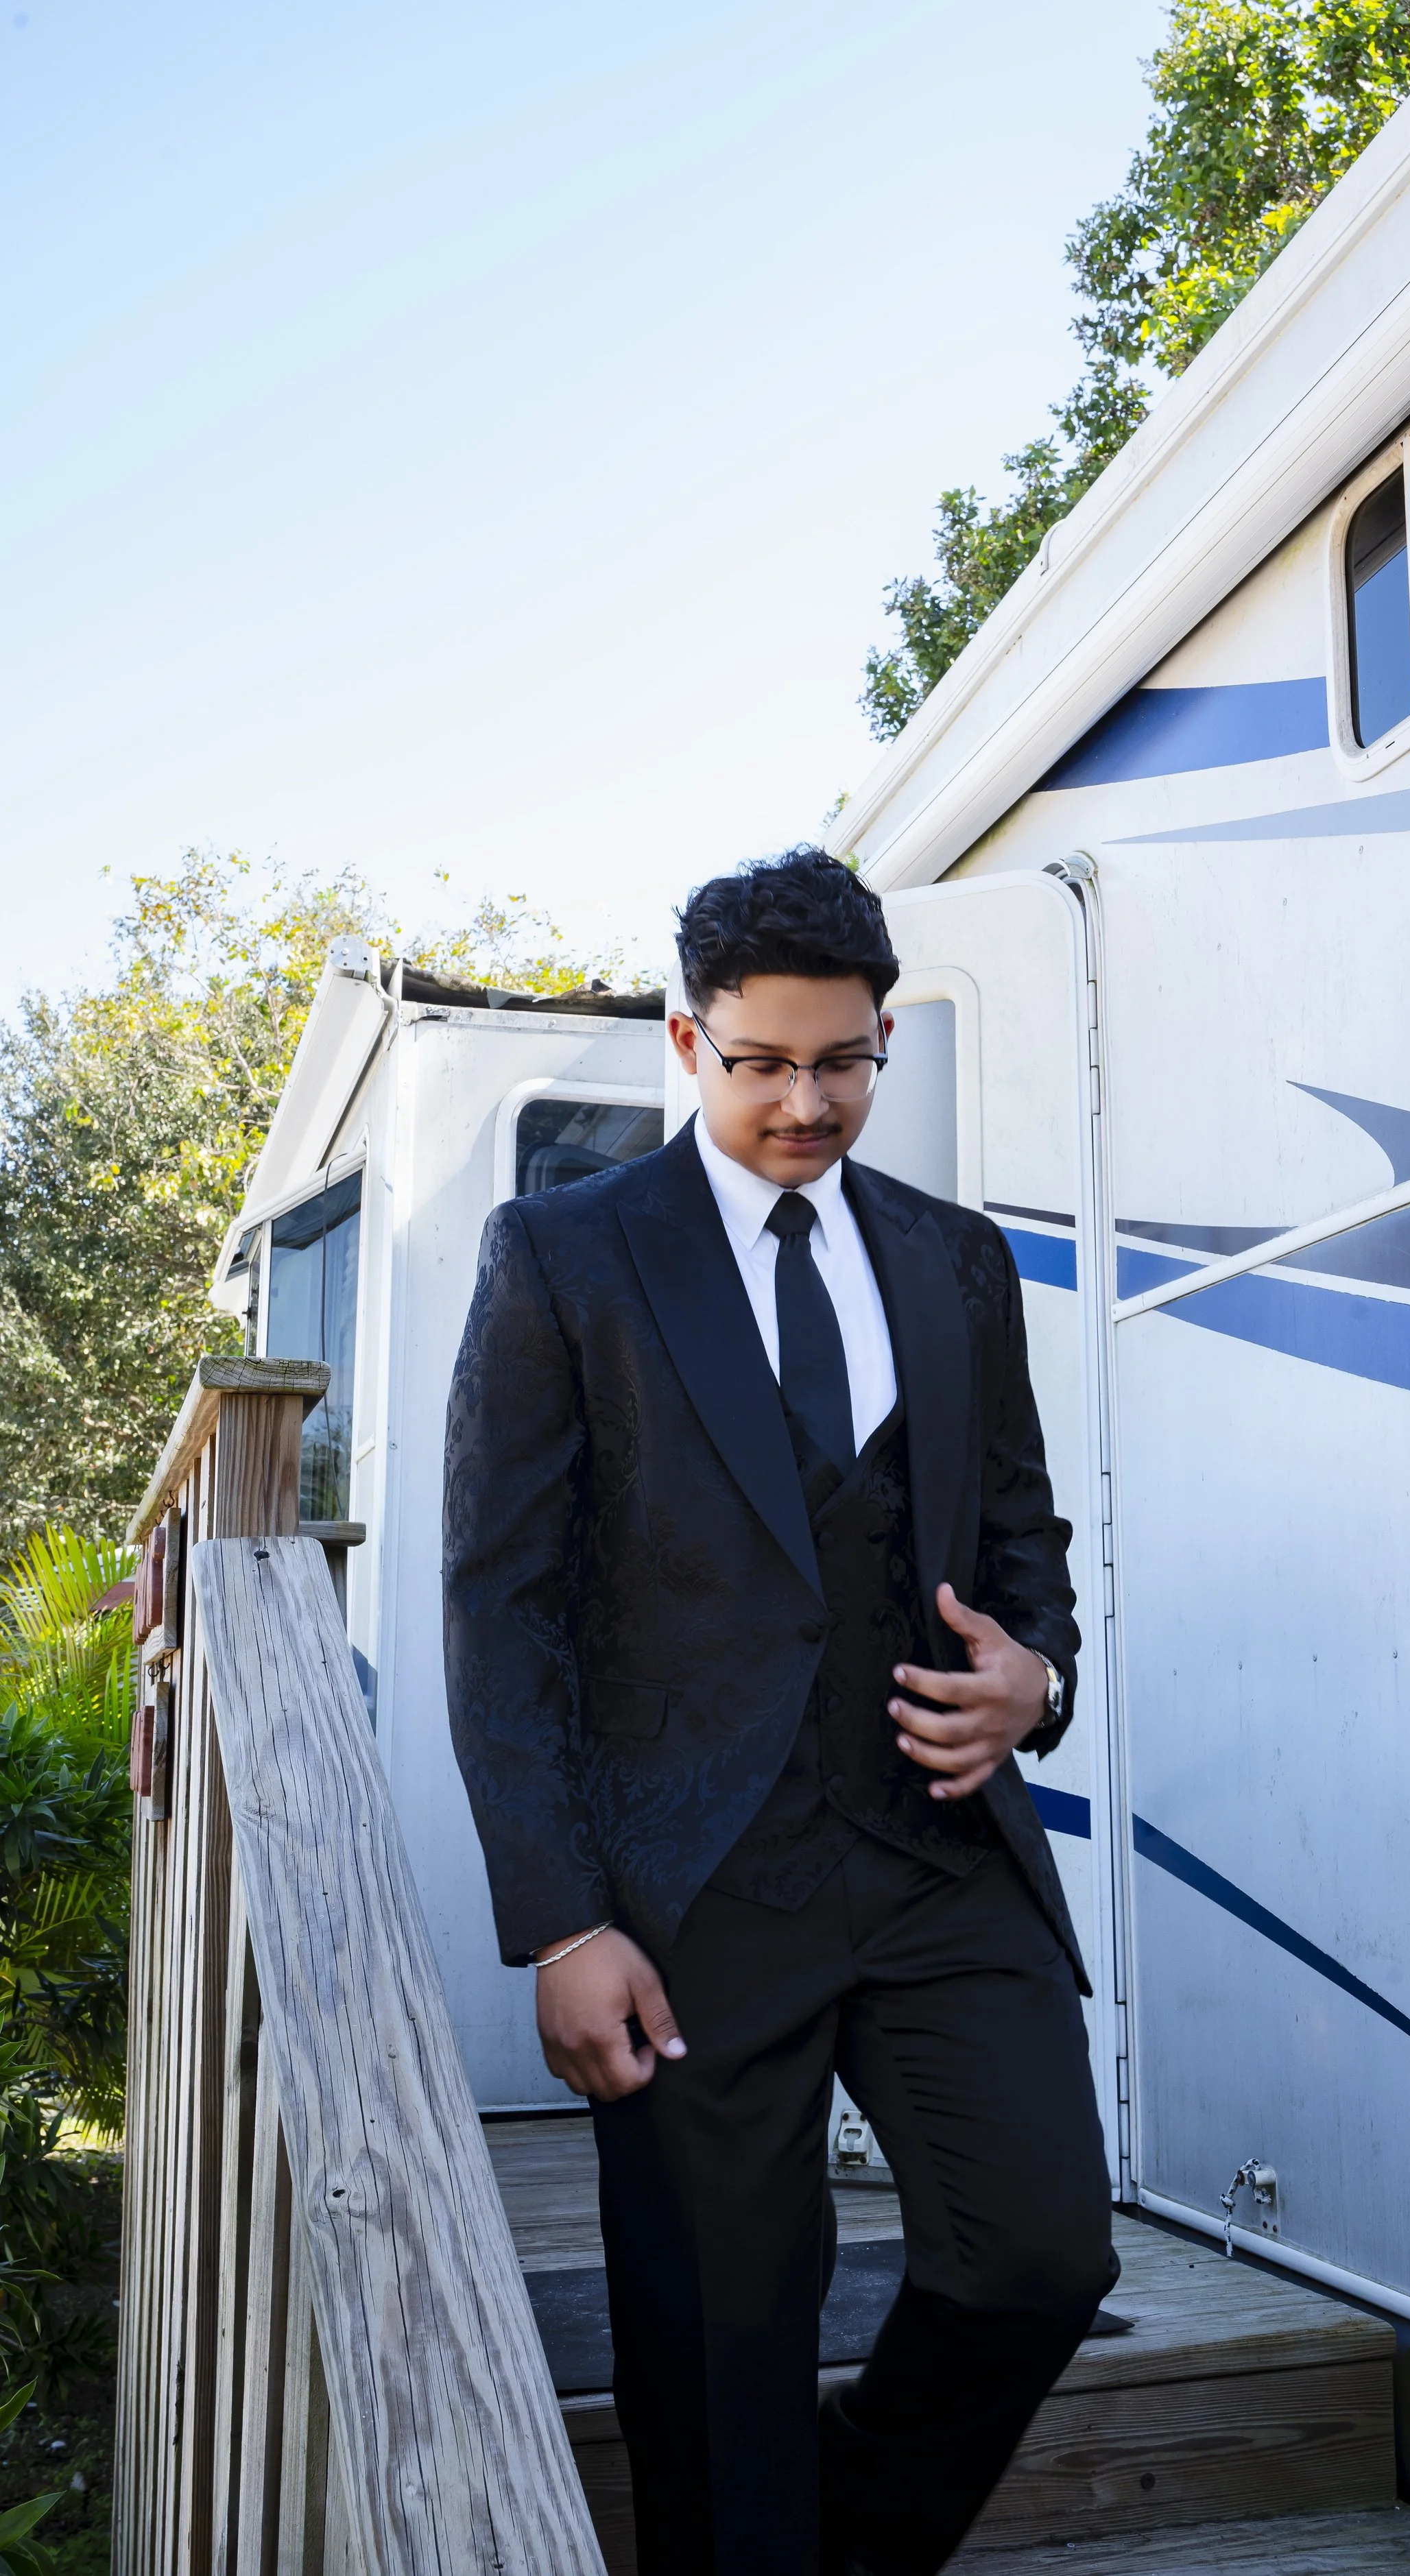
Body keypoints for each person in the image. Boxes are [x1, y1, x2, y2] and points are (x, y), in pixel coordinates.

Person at [443, 847, 1115, 2576]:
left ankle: (839, 2533)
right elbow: (499, 1612)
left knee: (1041, 2252)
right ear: (689, 1042)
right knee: (717, 2329)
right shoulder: (562, 1255)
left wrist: (1032, 1683)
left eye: (843, 1061)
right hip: (690, 1885)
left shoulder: (960, 1264)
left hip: (936, 1857)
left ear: (882, 1037)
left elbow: (1023, 1542)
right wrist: (558, 1923)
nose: (807, 1102)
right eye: (763, 1064)